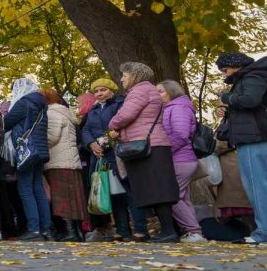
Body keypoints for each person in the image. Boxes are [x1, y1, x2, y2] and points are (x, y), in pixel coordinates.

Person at [216, 51, 267, 244]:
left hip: (255, 138)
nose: (224, 74)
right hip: (261, 136)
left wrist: (227, 98)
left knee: (258, 187)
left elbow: (250, 100)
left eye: (225, 69)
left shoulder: (251, 77)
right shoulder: (257, 76)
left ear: (236, 66)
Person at [107, 62, 180, 242]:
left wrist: (112, 125)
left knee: (156, 190)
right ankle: (167, 230)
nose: (122, 78)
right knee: (155, 189)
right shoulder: (147, 90)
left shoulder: (140, 91)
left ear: (135, 75)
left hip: (148, 146)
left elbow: (126, 115)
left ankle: (169, 232)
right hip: (153, 144)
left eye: (124, 75)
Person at [79, 77, 148, 241]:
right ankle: (122, 230)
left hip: (119, 153)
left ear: (111, 90)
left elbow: (120, 125)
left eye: (102, 90)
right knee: (114, 193)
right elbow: (86, 130)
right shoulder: (93, 110)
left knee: (130, 192)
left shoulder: (120, 104)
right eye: (96, 91)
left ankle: (140, 229)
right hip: (101, 156)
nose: (99, 93)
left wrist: (103, 143)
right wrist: (91, 144)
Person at [157, 80, 206, 243]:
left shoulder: (178, 107)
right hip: (180, 159)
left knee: (172, 196)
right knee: (182, 198)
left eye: (161, 91)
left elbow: (180, 135)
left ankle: (194, 231)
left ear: (171, 91)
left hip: (181, 159)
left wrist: (163, 153)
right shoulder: (171, 108)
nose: (158, 95)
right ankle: (193, 232)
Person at [3, 78, 51, 240]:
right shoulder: (41, 104)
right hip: (39, 150)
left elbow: (6, 123)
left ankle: (33, 229)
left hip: (26, 152)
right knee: (37, 188)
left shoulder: (23, 103)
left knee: (25, 188)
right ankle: (46, 229)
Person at [43, 88, 87, 241]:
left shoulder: (51, 113)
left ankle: (69, 232)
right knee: (73, 199)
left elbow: (51, 137)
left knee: (61, 198)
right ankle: (77, 232)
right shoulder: (65, 113)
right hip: (70, 161)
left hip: (58, 161)